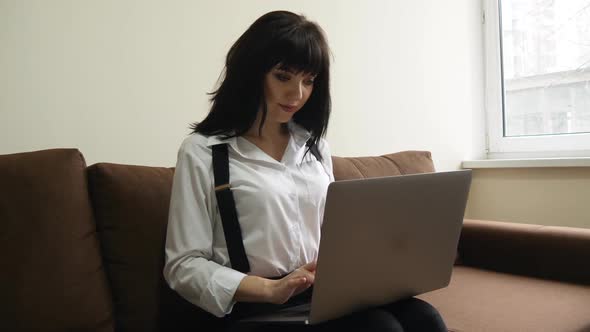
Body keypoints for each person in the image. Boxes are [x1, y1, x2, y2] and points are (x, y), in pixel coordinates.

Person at [164, 10, 447, 332]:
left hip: (321, 293)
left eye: (309, 80)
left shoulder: (314, 148)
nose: (297, 94)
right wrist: (271, 289)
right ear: (250, 73)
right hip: (251, 306)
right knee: (380, 328)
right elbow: (183, 266)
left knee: (425, 318)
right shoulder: (204, 151)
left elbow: (333, 235)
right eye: (283, 76)